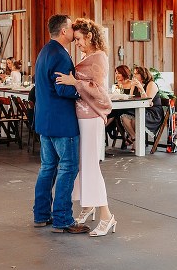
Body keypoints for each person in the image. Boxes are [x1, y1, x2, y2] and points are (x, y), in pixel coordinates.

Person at [55, 18, 116, 237]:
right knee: (82, 164)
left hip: (91, 118)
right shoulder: (87, 56)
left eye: (79, 39)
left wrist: (75, 83)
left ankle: (107, 216)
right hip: (81, 116)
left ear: (90, 37)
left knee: (90, 166)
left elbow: (100, 91)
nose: (77, 43)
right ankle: (87, 205)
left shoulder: (98, 57)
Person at [32, 14, 88, 234]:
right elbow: (63, 88)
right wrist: (83, 88)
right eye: (72, 26)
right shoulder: (61, 57)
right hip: (62, 123)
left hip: (45, 120)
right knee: (68, 168)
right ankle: (63, 219)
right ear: (64, 31)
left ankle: (41, 214)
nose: (74, 29)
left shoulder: (44, 52)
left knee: (47, 168)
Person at [119, 66, 165, 149]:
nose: (134, 76)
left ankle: (136, 142)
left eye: (137, 74)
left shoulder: (151, 84)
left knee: (135, 119)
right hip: (141, 110)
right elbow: (131, 98)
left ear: (143, 75)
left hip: (152, 113)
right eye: (134, 74)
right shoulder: (137, 85)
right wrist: (132, 87)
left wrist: (140, 88)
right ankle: (135, 138)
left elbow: (147, 102)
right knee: (123, 117)